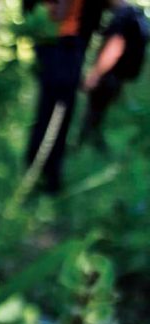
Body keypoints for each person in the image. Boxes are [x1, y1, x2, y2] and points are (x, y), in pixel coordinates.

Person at [24, 0, 107, 192]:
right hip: (62, 50)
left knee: (51, 114)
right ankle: (43, 176)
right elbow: (58, 13)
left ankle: (42, 175)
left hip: (61, 48)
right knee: (55, 114)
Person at [80, 0, 150, 147]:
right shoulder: (133, 14)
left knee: (94, 115)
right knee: (99, 116)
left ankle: (87, 148)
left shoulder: (122, 16)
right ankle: (91, 148)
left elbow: (115, 47)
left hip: (109, 75)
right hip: (119, 76)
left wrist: (96, 74)